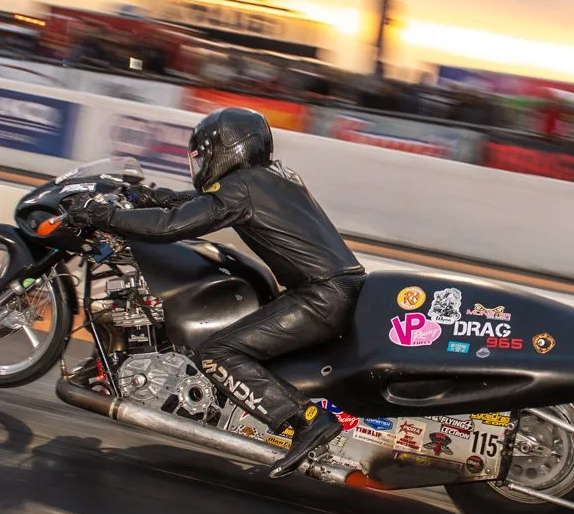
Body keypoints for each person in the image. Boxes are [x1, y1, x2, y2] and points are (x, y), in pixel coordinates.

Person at [69, 108, 366, 478]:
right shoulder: (271, 177)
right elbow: (204, 205)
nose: (202, 163)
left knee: (216, 352)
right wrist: (154, 197)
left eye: (205, 154)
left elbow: (171, 227)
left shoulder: (242, 186)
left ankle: (308, 420)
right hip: (337, 288)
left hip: (320, 296)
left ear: (227, 149)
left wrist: (103, 216)